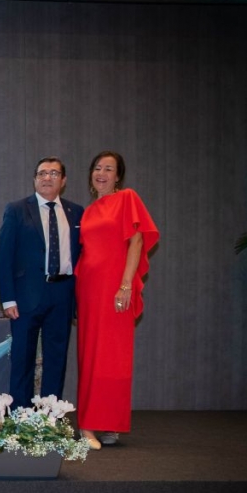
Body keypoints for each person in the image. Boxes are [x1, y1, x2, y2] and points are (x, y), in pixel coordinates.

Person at [75, 151, 158, 449]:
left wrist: (125, 285)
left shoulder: (127, 199)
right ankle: (87, 425)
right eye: (97, 167)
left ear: (118, 176)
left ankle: (108, 423)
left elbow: (137, 240)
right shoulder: (89, 211)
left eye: (108, 169)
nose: (101, 173)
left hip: (115, 289)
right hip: (89, 291)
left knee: (115, 359)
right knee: (91, 356)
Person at [0, 157, 84, 409]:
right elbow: (5, 257)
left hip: (63, 293)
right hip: (26, 296)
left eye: (54, 173)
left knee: (56, 358)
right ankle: (20, 416)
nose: (47, 178)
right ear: (34, 179)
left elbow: (82, 255)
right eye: (42, 173)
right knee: (22, 359)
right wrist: (8, 298)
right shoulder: (16, 209)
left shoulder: (76, 212)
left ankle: (50, 417)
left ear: (63, 181)